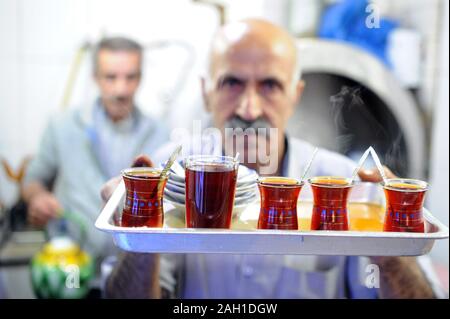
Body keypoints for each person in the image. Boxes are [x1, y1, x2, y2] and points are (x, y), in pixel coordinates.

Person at [101, 20, 445, 299]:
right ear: (207, 92)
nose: (249, 109)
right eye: (232, 83)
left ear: (294, 95)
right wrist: (139, 228)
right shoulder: (167, 179)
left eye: (269, 86)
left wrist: (390, 249)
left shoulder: (344, 186)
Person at [22, 37, 169, 287]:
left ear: (141, 78)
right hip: (73, 269)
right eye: (111, 77)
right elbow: (33, 180)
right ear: (95, 77)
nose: (121, 89)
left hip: (130, 272)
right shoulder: (63, 126)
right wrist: (37, 198)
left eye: (130, 77)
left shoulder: (159, 134)